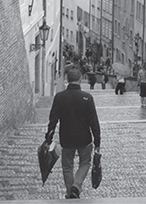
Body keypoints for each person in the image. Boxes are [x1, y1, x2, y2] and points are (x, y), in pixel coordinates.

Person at [45, 68, 101, 199]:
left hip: (67, 137)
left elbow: (53, 119)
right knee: (85, 162)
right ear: (80, 80)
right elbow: (94, 122)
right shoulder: (87, 97)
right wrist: (97, 141)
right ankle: (76, 186)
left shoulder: (60, 97)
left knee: (67, 166)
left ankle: (70, 191)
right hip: (84, 138)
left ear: (67, 80)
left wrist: (49, 137)